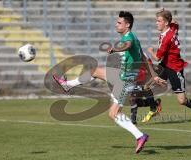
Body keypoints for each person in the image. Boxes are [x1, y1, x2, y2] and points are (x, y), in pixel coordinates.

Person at [53, 11, 167, 153]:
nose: (116, 24)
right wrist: (154, 76)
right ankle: (67, 85)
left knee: (114, 114)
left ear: (127, 24)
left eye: (119, 23)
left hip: (125, 81)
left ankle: (140, 136)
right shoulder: (134, 39)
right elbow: (143, 58)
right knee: (95, 71)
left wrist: (115, 49)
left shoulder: (129, 38)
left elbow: (126, 45)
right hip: (121, 76)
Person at [147, 8, 191, 125]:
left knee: (181, 101)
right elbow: (176, 23)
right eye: (156, 20)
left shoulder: (167, 39)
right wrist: (166, 14)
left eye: (159, 21)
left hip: (174, 68)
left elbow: (157, 58)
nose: (156, 23)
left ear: (166, 23)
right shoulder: (172, 27)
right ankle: (155, 107)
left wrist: (151, 51)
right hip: (165, 65)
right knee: (147, 84)